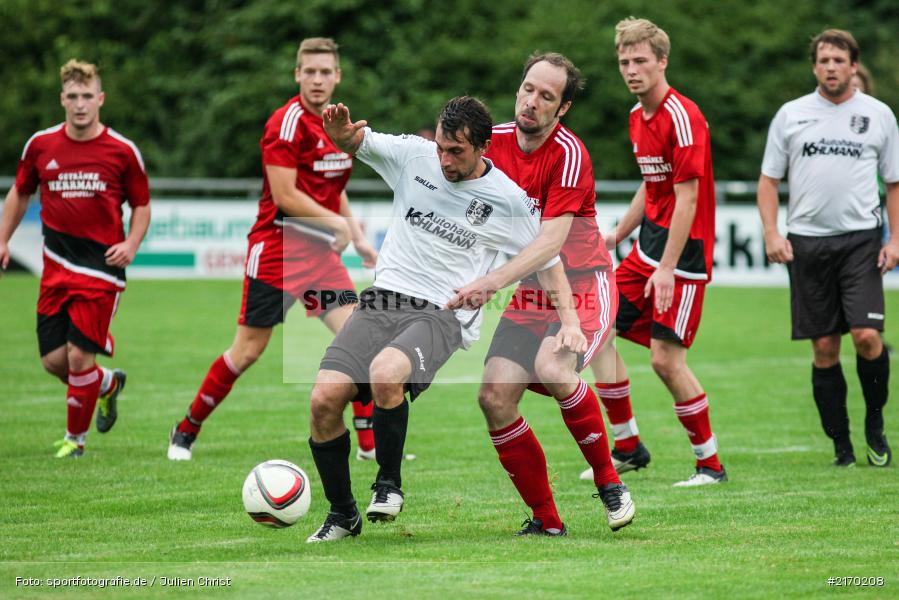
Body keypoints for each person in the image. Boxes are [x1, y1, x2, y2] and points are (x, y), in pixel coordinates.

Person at [305, 95, 584, 542]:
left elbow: (547, 260)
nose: (444, 159)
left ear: (482, 148)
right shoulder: (414, 157)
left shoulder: (508, 200)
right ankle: (342, 514)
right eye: (440, 147)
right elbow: (357, 140)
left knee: (385, 373)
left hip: (442, 313)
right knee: (322, 400)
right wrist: (339, 137)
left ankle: (388, 484)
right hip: (382, 300)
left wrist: (570, 321)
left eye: (456, 151)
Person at [166, 38, 379, 461]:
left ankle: (370, 448)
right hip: (277, 252)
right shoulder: (285, 123)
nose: (317, 80)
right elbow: (285, 195)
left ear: (337, 77)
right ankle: (186, 429)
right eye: (310, 72)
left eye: (325, 72)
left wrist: (356, 236)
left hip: (321, 258)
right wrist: (335, 224)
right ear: (297, 75)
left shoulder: (340, 123)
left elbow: (332, 188)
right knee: (248, 351)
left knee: (360, 340)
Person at [452, 53, 633, 536]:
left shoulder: (570, 154)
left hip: (583, 284)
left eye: (546, 96)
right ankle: (547, 520)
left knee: (555, 366)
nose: (532, 102)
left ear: (563, 108)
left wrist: (490, 282)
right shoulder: (495, 143)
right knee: (493, 397)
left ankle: (610, 480)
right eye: (528, 89)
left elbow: (551, 243)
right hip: (532, 292)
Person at [587, 17, 727, 486]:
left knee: (666, 361)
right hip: (647, 247)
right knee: (599, 330)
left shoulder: (681, 116)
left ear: (662, 61)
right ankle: (628, 447)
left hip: (683, 256)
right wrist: (616, 234)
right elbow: (653, 187)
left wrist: (666, 269)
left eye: (640, 60)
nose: (631, 69)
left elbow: (687, 197)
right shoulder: (635, 116)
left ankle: (710, 465)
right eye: (624, 61)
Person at [758, 29, 899, 467]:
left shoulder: (878, 115)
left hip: (861, 241)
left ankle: (875, 424)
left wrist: (895, 239)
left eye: (839, 60)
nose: (831, 67)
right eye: (824, 60)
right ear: (814, 66)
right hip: (807, 245)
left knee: (867, 337)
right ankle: (841, 446)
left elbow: (894, 183)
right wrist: (771, 232)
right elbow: (768, 181)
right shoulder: (791, 115)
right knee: (823, 348)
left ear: (854, 66)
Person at [0, 59, 150, 458]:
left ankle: (75, 441)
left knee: (80, 355)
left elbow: (142, 205)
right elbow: (19, 193)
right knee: (53, 361)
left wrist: (132, 244)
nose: (80, 103)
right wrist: (3, 239)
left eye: (88, 96)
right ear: (62, 99)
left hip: (102, 269)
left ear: (100, 99)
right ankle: (105, 384)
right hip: (55, 268)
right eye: (73, 96)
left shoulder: (122, 150)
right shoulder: (40, 145)